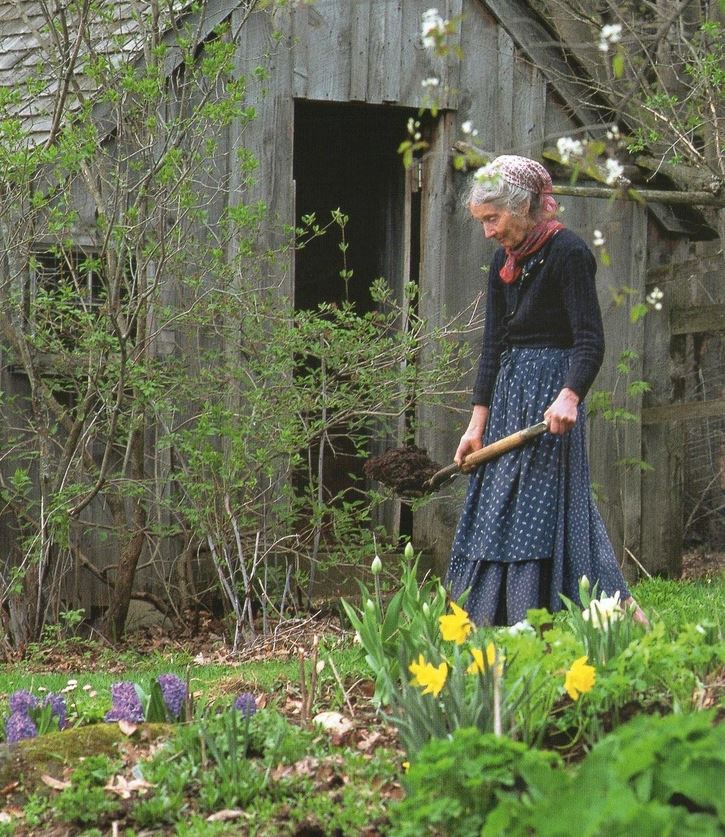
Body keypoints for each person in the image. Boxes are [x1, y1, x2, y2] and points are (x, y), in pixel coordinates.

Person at [446, 154, 647, 627]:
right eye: (482, 222)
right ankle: (485, 620)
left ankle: (565, 616)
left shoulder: (568, 253)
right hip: (508, 399)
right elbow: (493, 345)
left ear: (522, 207)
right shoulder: (504, 261)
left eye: (492, 219)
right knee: (495, 507)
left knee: (540, 513)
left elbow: (589, 339)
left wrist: (570, 396)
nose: (488, 232)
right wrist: (476, 424)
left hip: (549, 405)